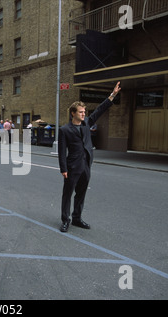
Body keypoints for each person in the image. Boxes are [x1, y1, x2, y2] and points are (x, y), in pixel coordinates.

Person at [58, 82, 121, 233]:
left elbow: (100, 110)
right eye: (80, 112)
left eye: (84, 111)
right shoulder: (65, 130)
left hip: (86, 165)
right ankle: (66, 220)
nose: (83, 114)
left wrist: (112, 95)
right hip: (72, 166)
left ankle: (77, 218)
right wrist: (63, 169)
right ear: (73, 113)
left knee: (81, 193)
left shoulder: (87, 123)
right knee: (67, 194)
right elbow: (61, 151)